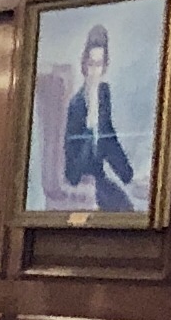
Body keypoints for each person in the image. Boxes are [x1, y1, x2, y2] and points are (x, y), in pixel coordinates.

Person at [59, 21, 138, 215]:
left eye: (99, 65)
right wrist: (89, 127)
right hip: (79, 177)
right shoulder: (76, 105)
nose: (95, 71)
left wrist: (128, 176)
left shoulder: (104, 94)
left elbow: (109, 140)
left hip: (99, 179)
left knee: (129, 210)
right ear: (84, 65)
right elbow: (74, 166)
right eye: (91, 64)